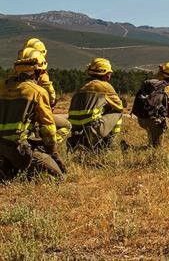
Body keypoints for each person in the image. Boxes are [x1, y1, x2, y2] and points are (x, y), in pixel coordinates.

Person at [0, 50, 66, 179]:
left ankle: (7, 169)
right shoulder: (37, 92)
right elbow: (48, 128)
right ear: (38, 71)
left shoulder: (2, 86)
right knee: (59, 177)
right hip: (19, 150)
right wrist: (53, 153)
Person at [67, 58, 125, 151]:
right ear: (106, 74)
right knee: (118, 113)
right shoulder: (105, 86)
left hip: (75, 129)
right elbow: (119, 107)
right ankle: (108, 144)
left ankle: (81, 141)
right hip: (91, 128)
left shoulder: (82, 85)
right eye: (109, 73)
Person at [18, 43, 72, 143]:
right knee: (64, 125)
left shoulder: (9, 79)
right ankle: (45, 146)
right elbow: (50, 92)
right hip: (34, 112)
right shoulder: (41, 77)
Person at [132, 62, 169, 147]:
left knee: (152, 139)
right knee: (157, 148)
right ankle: (130, 148)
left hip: (141, 118)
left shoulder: (151, 83)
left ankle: (143, 146)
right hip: (155, 121)